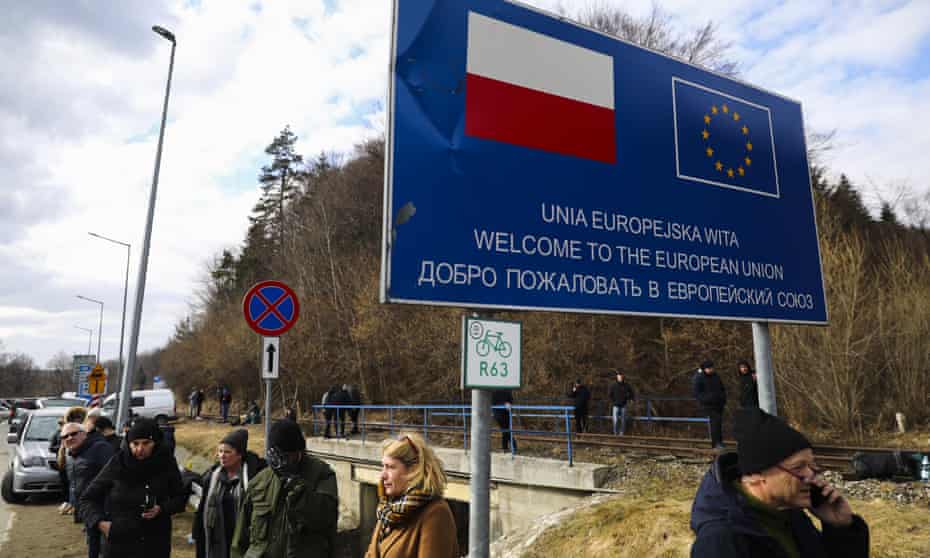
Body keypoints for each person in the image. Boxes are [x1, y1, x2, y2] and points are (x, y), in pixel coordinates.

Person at [690, 408, 869, 557]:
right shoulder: (720, 542)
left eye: (811, 466)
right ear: (755, 476)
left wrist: (841, 528)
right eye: (798, 467)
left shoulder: (790, 514)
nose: (811, 475)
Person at [79, 418, 188, 558]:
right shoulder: (118, 463)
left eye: (146, 443)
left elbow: (180, 498)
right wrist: (101, 523)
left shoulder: (166, 463)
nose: (140, 449)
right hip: (119, 541)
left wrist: (162, 509)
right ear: (128, 443)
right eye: (135, 444)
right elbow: (86, 499)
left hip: (155, 542)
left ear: (155, 443)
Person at [231, 420, 338, 558]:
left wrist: (295, 484)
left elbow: (326, 518)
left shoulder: (321, 474)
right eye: (278, 456)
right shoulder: (259, 482)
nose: (282, 461)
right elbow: (239, 540)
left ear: (299, 451)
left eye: (287, 456)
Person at [364, 433, 459, 558]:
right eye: (383, 466)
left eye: (391, 467)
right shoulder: (388, 509)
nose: (383, 475)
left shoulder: (436, 513)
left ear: (413, 470)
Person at [194, 429, 266, 558]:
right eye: (220, 451)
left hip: (241, 537)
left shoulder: (252, 478)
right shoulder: (212, 476)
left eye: (227, 452)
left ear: (239, 455)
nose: (222, 455)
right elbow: (202, 508)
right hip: (216, 537)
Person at [62, 422, 115, 558]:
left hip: (106, 512)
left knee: (108, 550)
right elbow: (74, 484)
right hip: (88, 512)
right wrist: (73, 504)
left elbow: (115, 479)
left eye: (74, 433)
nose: (69, 438)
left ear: (84, 434)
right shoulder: (70, 455)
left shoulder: (100, 448)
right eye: (65, 436)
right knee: (93, 547)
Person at [51, 405, 89, 514]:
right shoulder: (59, 434)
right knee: (68, 483)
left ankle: (75, 506)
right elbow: (53, 446)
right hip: (66, 461)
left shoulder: (82, 433)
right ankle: (70, 504)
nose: (69, 437)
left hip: (76, 462)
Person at [693, 360, 727, 448]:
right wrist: (706, 399)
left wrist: (723, 398)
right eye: (709, 368)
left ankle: (719, 442)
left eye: (712, 368)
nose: (711, 370)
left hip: (719, 403)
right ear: (704, 369)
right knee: (715, 422)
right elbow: (697, 393)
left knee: (718, 423)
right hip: (709, 404)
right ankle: (716, 443)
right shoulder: (699, 377)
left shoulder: (715, 376)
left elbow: (722, 387)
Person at [608, 370, 635, 436]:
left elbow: (631, 393)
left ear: (623, 377)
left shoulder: (626, 385)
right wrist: (613, 401)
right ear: (617, 377)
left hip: (623, 405)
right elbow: (610, 394)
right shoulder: (613, 385)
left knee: (623, 421)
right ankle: (615, 433)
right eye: (619, 376)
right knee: (615, 420)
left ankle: (621, 434)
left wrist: (631, 399)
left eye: (621, 376)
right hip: (616, 405)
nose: (620, 377)